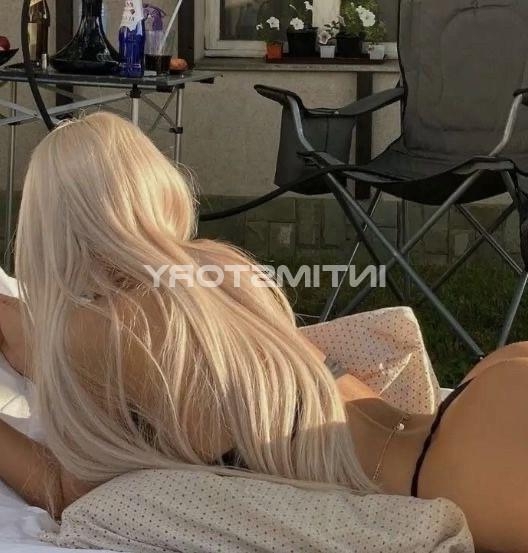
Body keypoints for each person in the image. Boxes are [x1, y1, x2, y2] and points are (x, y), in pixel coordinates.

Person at [0, 112, 525, 553]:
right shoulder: (220, 267)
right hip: (472, 409)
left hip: (446, 473)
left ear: (48, 229)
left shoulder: (101, 330)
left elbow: (65, 491)